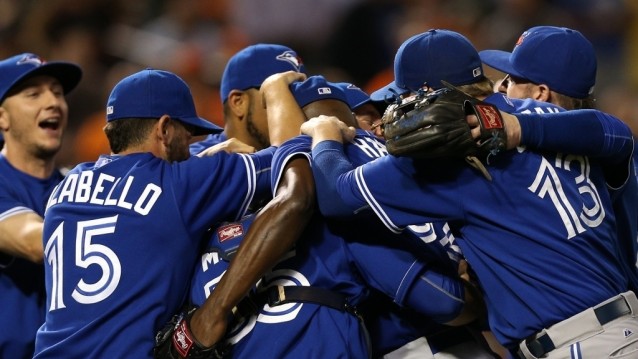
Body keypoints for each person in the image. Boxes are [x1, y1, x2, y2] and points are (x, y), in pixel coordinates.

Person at [300, 29, 638, 358]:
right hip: (617, 328)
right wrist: (520, 128)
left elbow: (336, 196)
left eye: (401, 97)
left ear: (426, 93)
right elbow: (617, 134)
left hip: (582, 343)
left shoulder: (448, 152)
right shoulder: (548, 117)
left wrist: (323, 135)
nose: (398, 109)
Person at [178, 75, 490, 359]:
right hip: (421, 343)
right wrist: (478, 299)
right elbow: (444, 300)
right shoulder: (352, 201)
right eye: (364, 116)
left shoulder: (202, 223)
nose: (374, 124)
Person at [32, 68, 280, 358]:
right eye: (187, 136)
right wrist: (281, 93)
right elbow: (288, 157)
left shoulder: (64, 188)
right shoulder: (181, 184)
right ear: (164, 129)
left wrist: (200, 163)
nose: (191, 148)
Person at [479, 25, 638, 293]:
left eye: (511, 80)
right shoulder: (537, 150)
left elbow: (612, 130)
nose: (500, 87)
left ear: (541, 94)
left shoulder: (601, 145)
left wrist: (520, 126)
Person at [0, 53, 82, 359]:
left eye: (58, 92)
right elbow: (38, 242)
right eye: (34, 94)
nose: (53, 102)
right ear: (2, 118)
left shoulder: (76, 183)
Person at [189, 43, 305, 157]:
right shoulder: (194, 164)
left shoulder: (315, 150)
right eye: (282, 93)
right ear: (238, 103)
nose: (297, 106)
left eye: (302, 95)